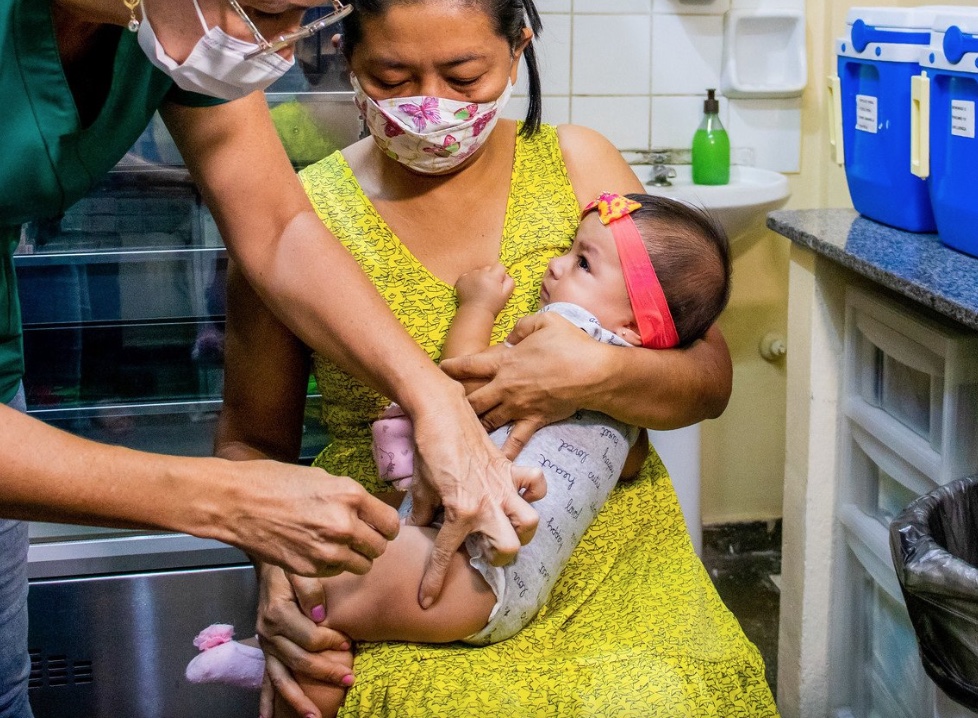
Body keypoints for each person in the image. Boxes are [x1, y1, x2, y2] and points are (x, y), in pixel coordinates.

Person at [214, 1, 777, 716]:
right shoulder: (289, 221)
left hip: (600, 534)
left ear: (517, 48)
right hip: (408, 548)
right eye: (391, 77)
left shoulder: (577, 163)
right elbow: (250, 443)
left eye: (463, 76)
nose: (430, 106)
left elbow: (708, 378)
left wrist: (594, 373)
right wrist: (282, 561)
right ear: (346, 58)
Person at [0, 1, 549, 716]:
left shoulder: (175, 34)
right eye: (261, 10)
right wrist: (228, 498)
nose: (278, 47)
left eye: (304, 13)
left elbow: (278, 227)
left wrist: (433, 397)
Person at [184, 190, 734, 717]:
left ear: (634, 327)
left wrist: (478, 305)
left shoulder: (565, 329)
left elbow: (461, 379)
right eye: (571, 250)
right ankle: (281, 675)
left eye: (582, 263)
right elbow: (629, 464)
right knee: (330, 602)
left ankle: (262, 657)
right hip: (509, 578)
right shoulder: (631, 403)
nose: (556, 265)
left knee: (316, 584)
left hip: (470, 566)